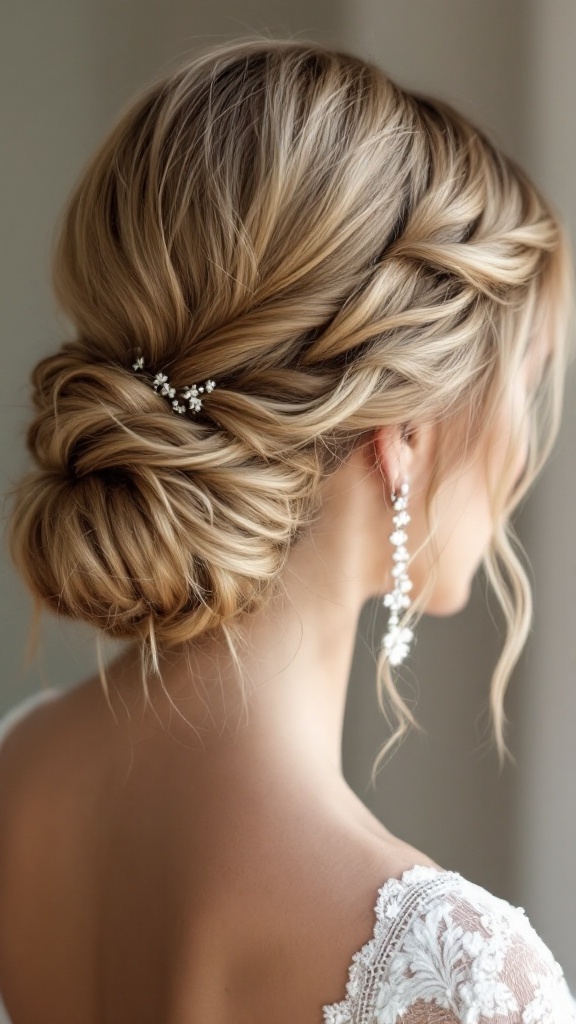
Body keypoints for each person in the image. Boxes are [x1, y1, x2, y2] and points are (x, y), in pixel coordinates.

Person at [1, 37, 574, 1024]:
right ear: (407, 434)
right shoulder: (467, 986)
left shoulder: (16, 772)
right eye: (521, 390)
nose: (523, 455)